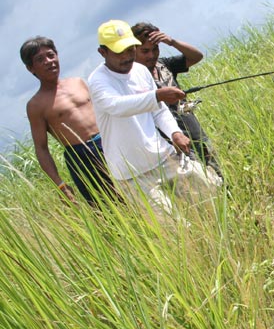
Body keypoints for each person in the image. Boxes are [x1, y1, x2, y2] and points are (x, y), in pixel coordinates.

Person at [87, 20, 220, 218]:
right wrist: (157, 95)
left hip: (163, 157)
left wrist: (174, 133)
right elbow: (116, 106)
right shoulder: (98, 80)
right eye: (119, 52)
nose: (126, 57)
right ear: (103, 52)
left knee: (211, 197)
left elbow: (159, 111)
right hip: (132, 174)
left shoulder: (140, 71)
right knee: (173, 228)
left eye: (130, 49)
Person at [21, 36, 119, 206]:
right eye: (40, 59)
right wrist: (60, 185)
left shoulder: (78, 83)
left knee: (133, 190)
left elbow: (106, 112)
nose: (49, 61)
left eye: (51, 55)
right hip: (81, 156)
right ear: (31, 68)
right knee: (106, 207)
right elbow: (41, 148)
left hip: (109, 141)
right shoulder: (36, 105)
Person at [131, 22, 222, 177]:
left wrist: (171, 42)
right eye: (145, 51)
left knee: (216, 172)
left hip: (194, 131)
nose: (151, 55)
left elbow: (196, 56)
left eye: (155, 49)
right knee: (198, 182)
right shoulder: (134, 78)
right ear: (133, 50)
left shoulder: (163, 65)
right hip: (173, 141)